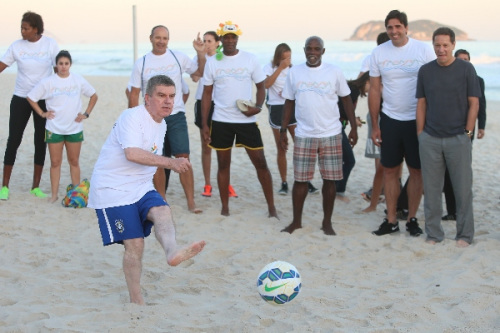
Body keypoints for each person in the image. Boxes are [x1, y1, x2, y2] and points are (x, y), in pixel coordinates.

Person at [88, 75, 206, 305]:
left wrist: (156, 187)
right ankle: (136, 299)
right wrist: (171, 162)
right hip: (113, 188)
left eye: (172, 96)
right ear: (147, 98)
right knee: (135, 244)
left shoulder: (161, 123)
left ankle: (172, 252)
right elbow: (132, 154)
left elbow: (152, 160)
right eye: (161, 96)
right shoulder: (132, 117)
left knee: (162, 210)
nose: (168, 101)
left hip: (140, 186)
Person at [280, 36, 358, 235]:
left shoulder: (334, 72)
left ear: (323, 51)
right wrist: (283, 130)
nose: (312, 52)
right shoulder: (295, 72)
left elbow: (346, 99)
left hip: (331, 133)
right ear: (304, 50)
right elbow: (288, 102)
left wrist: (353, 128)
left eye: (316, 49)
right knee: (300, 180)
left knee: (329, 180)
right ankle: (296, 222)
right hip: (304, 134)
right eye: (309, 49)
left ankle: (327, 222)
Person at [201, 21, 277, 217]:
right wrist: (204, 124)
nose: (229, 40)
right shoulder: (213, 62)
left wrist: (258, 107)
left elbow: (261, 87)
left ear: (237, 38)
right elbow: (207, 94)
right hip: (221, 120)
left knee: (261, 163)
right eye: (226, 37)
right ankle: (225, 208)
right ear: (221, 39)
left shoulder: (250, 59)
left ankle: (272, 208)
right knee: (223, 165)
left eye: (233, 36)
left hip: (246, 121)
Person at [369, 10, 435, 237]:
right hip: (390, 119)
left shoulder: (423, 50)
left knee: (416, 171)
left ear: (406, 28)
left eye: (398, 27)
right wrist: (375, 125)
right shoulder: (378, 53)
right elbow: (375, 89)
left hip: (417, 121)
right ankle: (391, 220)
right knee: (389, 170)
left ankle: (412, 219)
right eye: (390, 27)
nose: (394, 31)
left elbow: (432, 86)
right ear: (386, 30)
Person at [128, 25, 206, 214]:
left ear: (168, 40)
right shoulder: (142, 62)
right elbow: (134, 93)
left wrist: (200, 53)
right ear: (151, 38)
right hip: (152, 118)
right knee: (158, 160)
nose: (161, 41)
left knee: (183, 158)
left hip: (176, 116)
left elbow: (199, 73)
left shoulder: (177, 57)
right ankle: (161, 200)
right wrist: (132, 120)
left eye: (165, 38)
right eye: (158, 37)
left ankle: (191, 202)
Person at [416, 27, 480, 247]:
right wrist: (420, 134)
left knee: (463, 190)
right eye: (437, 45)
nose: (441, 49)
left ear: (453, 45)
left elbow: (474, 103)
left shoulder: (466, 69)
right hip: (430, 139)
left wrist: (468, 133)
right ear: (433, 45)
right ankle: (434, 234)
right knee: (432, 191)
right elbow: (421, 103)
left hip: (458, 139)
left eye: (445, 45)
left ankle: (464, 235)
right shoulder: (425, 71)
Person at [0, 11, 59, 200]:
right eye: (21, 27)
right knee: (14, 140)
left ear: (35, 29)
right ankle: (4, 186)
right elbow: (2, 65)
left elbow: (59, 71)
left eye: (25, 28)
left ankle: (35, 187)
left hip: (43, 100)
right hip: (21, 98)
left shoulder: (50, 44)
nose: (22, 31)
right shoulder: (17, 46)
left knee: (40, 141)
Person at [27, 50, 97, 203]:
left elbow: (94, 95)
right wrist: (42, 113)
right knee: (55, 163)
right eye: (60, 64)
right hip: (54, 128)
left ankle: (77, 195)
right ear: (56, 65)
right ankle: (54, 195)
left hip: (74, 128)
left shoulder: (78, 80)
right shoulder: (48, 82)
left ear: (70, 64)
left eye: (66, 63)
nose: (63, 67)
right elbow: (31, 97)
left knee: (74, 161)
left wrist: (86, 114)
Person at [263, 43, 319, 196]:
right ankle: (284, 182)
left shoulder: (295, 70)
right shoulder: (269, 67)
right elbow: (266, 85)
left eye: (289, 57)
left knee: (299, 146)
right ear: (278, 57)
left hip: (293, 108)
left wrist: (291, 94)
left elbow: (302, 88)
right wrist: (280, 68)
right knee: (281, 147)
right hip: (276, 109)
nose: (287, 60)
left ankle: (305, 181)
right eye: (284, 58)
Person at [441, 48, 487, 221]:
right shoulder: (448, 78)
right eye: (460, 59)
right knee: (446, 173)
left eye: (466, 60)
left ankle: (462, 211)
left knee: (462, 171)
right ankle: (452, 211)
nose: (464, 63)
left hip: (467, 132)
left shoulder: (477, 80)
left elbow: (480, 104)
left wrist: (480, 126)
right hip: (447, 130)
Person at [191, 31, 237, 198]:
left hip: (220, 104)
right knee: (206, 146)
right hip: (202, 103)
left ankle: (226, 183)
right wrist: (201, 54)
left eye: (209, 40)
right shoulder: (200, 57)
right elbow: (196, 77)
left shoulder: (223, 58)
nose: (206, 43)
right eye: (204, 40)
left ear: (218, 42)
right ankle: (208, 184)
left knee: (223, 146)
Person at [359, 32, 390, 212]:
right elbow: (362, 86)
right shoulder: (371, 59)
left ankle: (385, 190)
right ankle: (378, 193)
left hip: (394, 113)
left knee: (389, 157)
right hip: (377, 111)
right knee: (379, 156)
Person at [335, 73, 369, 202]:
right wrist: (353, 120)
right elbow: (343, 108)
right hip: (336, 126)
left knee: (341, 160)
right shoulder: (353, 89)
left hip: (338, 125)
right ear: (368, 81)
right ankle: (339, 191)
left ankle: (335, 188)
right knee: (349, 160)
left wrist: (354, 118)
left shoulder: (351, 87)